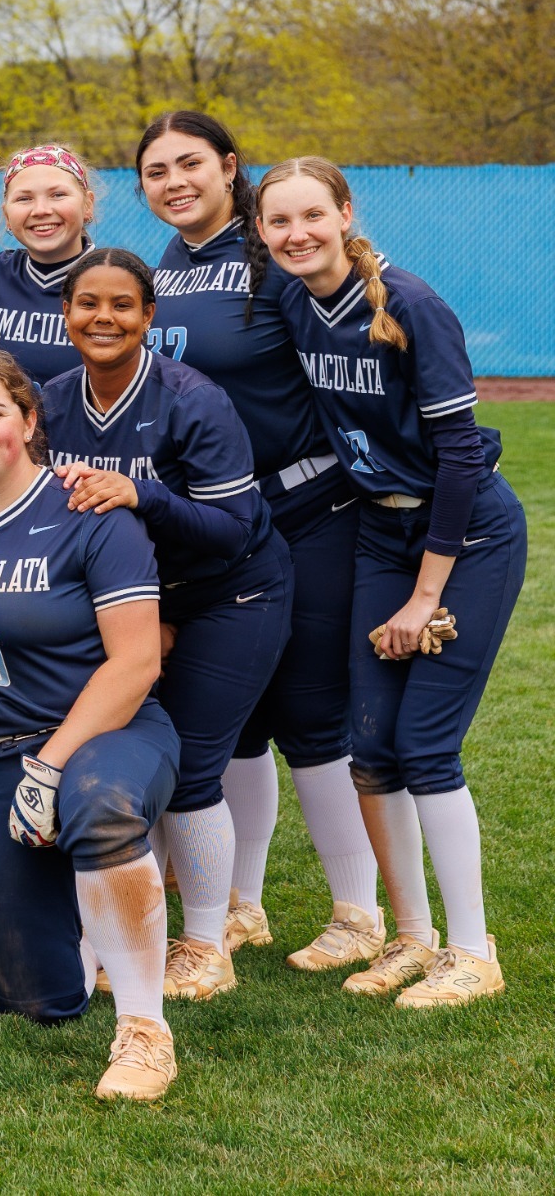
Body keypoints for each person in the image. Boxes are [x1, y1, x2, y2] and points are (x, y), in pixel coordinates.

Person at [258, 157, 525, 1007]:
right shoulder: (292, 296)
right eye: (278, 221)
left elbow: (456, 457)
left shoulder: (409, 304)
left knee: (426, 745)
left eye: (312, 215)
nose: (297, 234)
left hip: (464, 533)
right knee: (368, 746)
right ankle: (410, 936)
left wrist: (423, 594)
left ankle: (473, 950)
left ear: (345, 212)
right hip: (380, 527)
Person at [137, 111, 379, 968]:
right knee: (233, 722)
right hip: (211, 521)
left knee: (311, 714)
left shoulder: (271, 251)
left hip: (304, 509)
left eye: (190, 163)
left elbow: (358, 365)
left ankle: (359, 910)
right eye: (157, 169)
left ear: (229, 165)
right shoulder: (166, 265)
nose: (174, 181)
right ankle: (243, 901)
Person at [0, 350, 182, 1101]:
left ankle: (143, 1028)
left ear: (31, 421)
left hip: (106, 731)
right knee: (39, 997)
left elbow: (136, 663)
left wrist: (51, 765)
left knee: (99, 804)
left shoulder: (89, 510)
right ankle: (87, 929)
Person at [40, 248, 292, 1001]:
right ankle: (102, 927)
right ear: (67, 314)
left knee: (191, 766)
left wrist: (139, 494)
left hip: (228, 592)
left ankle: (207, 941)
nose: (104, 318)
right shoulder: (52, 401)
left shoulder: (193, 398)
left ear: (150, 317)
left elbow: (233, 529)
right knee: (122, 758)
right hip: (134, 599)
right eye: (88, 303)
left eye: (123, 304)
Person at [0, 145, 97, 384]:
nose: (41, 210)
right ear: (7, 216)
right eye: (24, 199)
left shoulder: (119, 279)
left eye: (58, 195)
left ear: (87, 205)